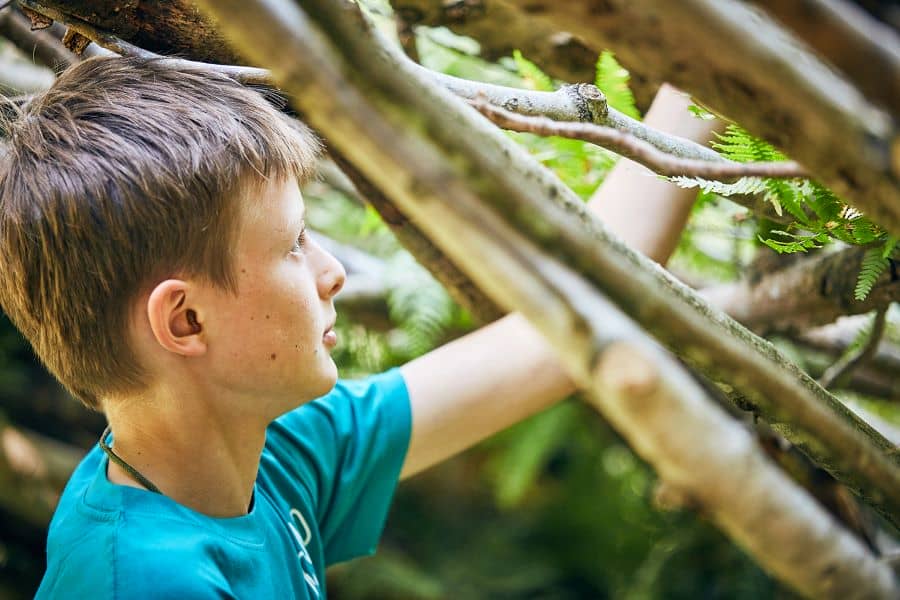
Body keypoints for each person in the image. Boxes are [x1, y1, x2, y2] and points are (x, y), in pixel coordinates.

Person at [0, 56, 718, 598]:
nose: (332, 271)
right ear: (185, 320)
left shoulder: (270, 450)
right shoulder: (148, 584)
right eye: (293, 244)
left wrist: (703, 75)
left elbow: (559, 335)